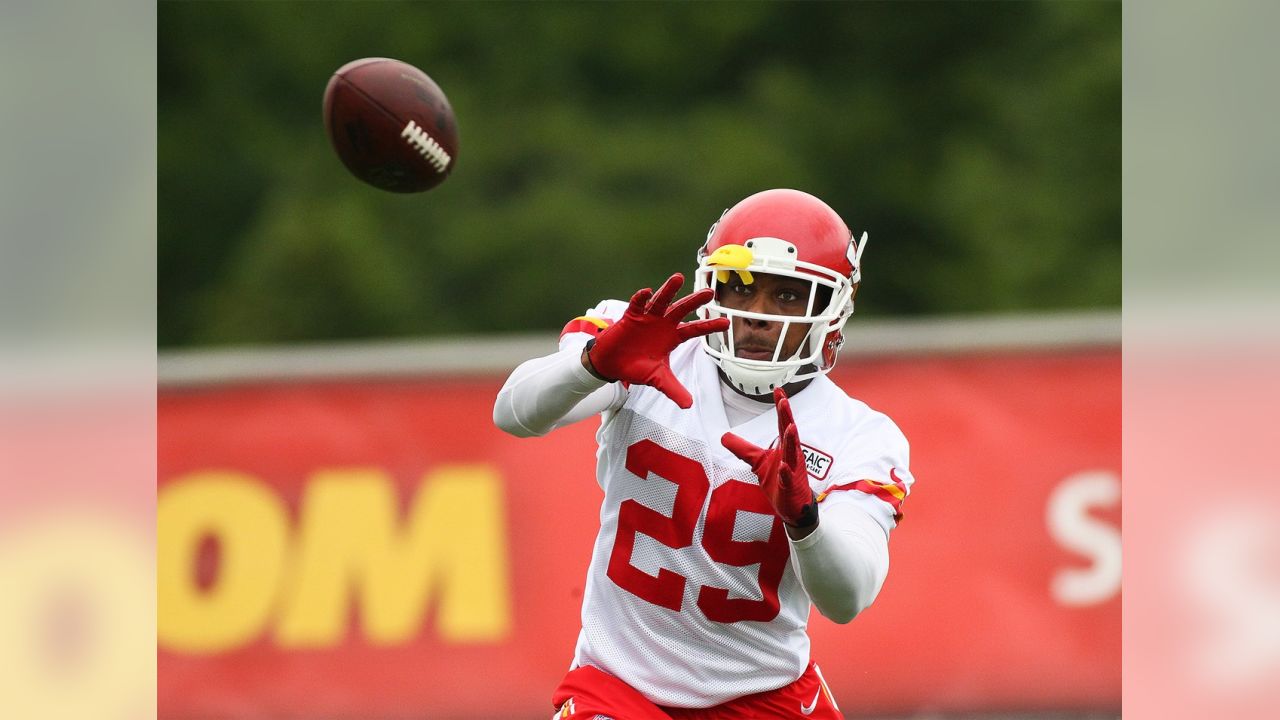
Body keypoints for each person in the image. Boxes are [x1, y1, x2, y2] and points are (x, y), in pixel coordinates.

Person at [494, 188, 914, 720]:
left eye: (788, 296)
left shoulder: (858, 434)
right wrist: (594, 364)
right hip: (622, 685)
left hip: (763, 692)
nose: (758, 315)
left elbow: (847, 598)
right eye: (740, 288)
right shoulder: (650, 345)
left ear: (831, 311)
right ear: (710, 287)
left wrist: (805, 521)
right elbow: (513, 414)